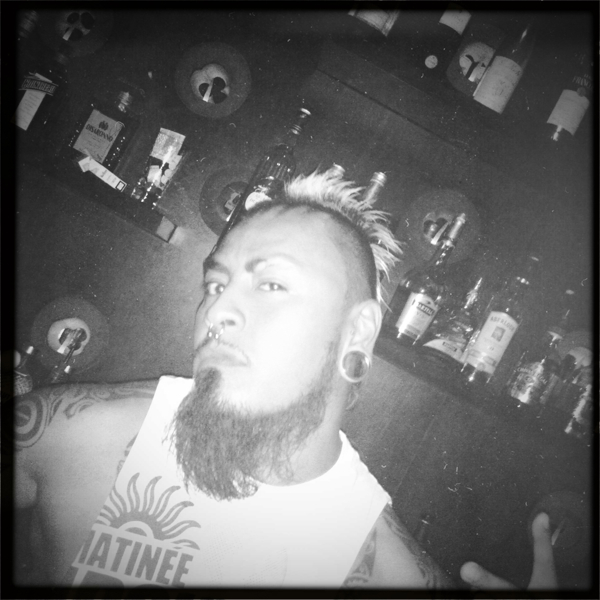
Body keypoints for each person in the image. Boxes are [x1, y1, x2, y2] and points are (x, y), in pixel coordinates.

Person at [11, 168, 557, 591]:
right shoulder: (75, 435)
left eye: (271, 285)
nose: (216, 311)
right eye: (215, 284)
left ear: (358, 331)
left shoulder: (387, 574)